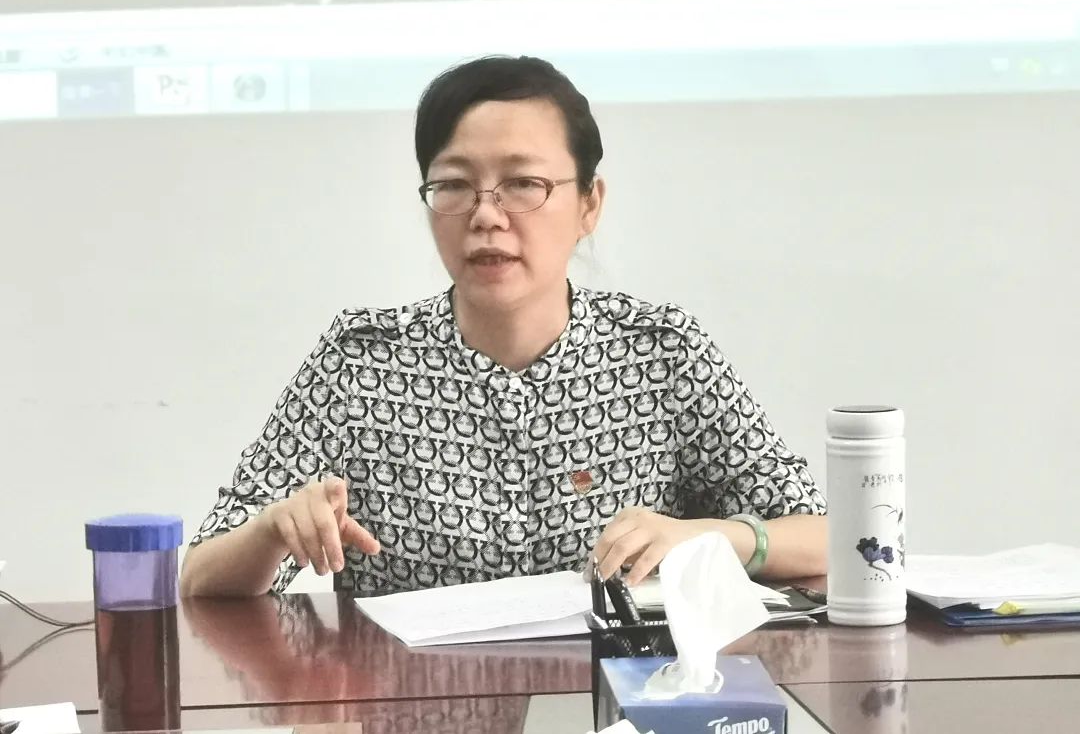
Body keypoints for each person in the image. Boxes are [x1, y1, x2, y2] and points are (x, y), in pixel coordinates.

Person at [180, 56, 827, 598]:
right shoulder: (360, 363)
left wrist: (710, 536)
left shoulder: (660, 351)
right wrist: (271, 531)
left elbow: (828, 536)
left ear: (589, 203)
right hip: (414, 699)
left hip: (615, 694)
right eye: (454, 185)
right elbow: (200, 577)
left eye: (523, 184)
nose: (486, 216)